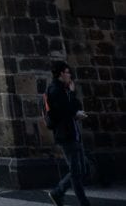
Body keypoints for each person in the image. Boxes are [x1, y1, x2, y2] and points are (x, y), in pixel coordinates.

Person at [46, 61, 90, 206]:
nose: (70, 74)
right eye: (67, 72)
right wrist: (71, 96)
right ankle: (83, 203)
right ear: (60, 74)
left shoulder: (64, 89)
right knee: (76, 172)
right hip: (66, 135)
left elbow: (75, 106)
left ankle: (57, 192)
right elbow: (64, 111)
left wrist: (72, 95)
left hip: (73, 132)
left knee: (81, 170)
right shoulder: (54, 90)